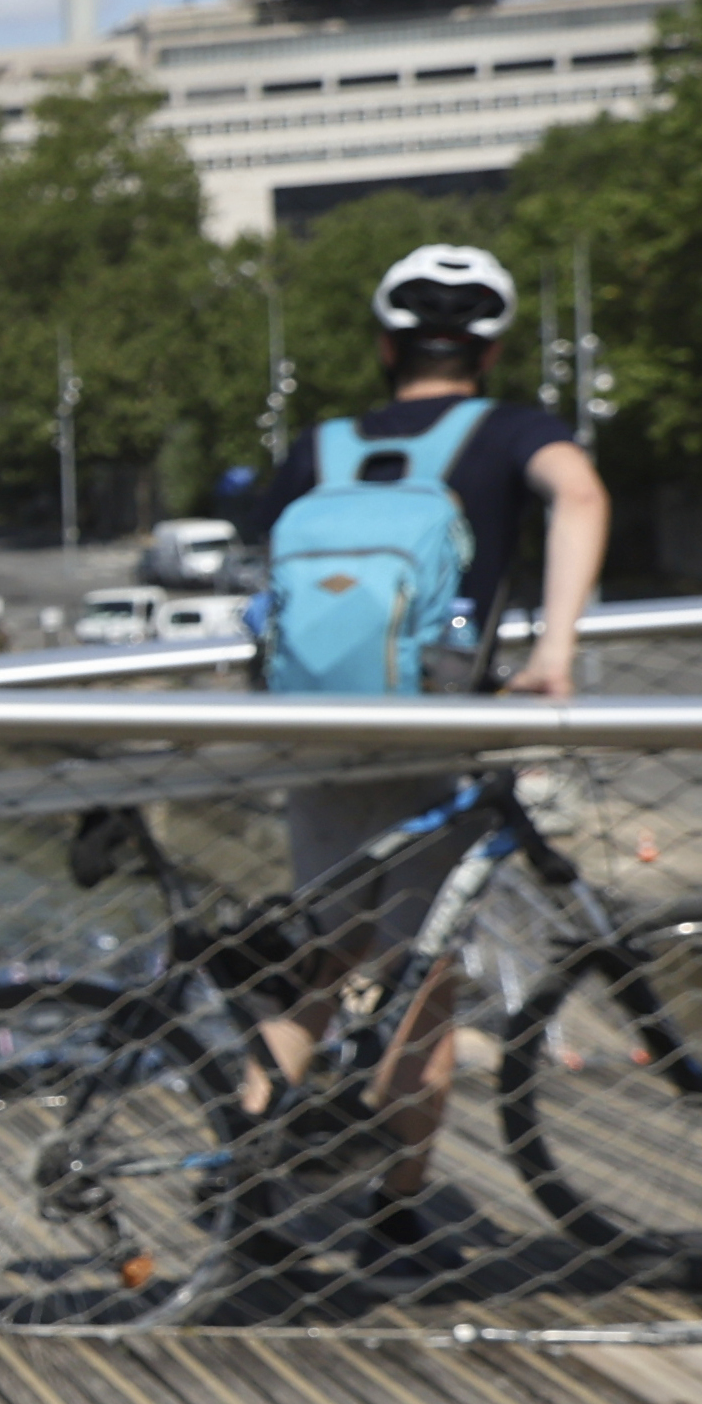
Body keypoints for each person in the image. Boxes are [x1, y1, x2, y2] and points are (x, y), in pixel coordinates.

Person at [230, 239, 612, 1252]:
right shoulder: (507, 432)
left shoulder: (325, 445)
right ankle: (398, 1216)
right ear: (485, 354)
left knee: (320, 971)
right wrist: (556, 653)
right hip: (430, 733)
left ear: (384, 347)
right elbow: (579, 494)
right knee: (421, 981)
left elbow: (265, 582)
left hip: (314, 737)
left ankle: (247, 1190)